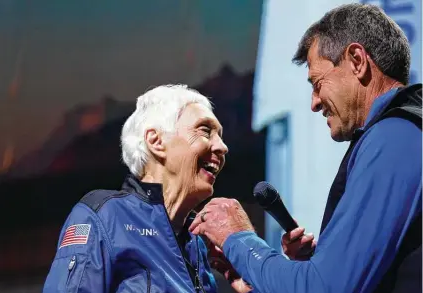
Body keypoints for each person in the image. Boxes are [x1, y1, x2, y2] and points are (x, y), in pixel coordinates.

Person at [189, 3, 422, 293]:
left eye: (317, 83)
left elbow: (325, 288)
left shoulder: (394, 138)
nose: (314, 103)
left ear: (357, 60)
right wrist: (308, 266)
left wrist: (238, 238)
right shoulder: (404, 133)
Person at [43, 84, 232, 292]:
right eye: (205, 131)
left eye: (220, 136)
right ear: (156, 141)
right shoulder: (104, 216)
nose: (222, 146)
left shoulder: (197, 242)